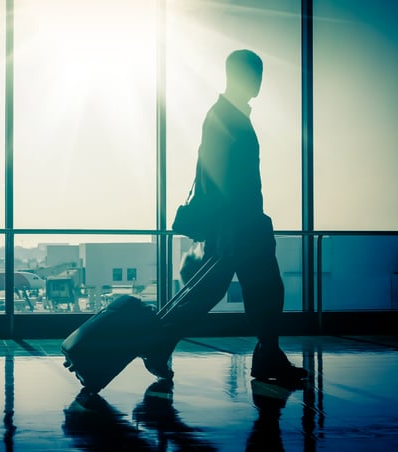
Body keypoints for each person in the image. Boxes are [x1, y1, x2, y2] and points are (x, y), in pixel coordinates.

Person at [144, 49, 308, 383]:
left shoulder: (227, 115)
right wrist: (229, 227)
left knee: (243, 290)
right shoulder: (226, 117)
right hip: (239, 224)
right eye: (254, 74)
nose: (258, 82)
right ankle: (161, 344)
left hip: (240, 223)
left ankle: (265, 355)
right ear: (235, 76)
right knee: (247, 290)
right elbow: (219, 175)